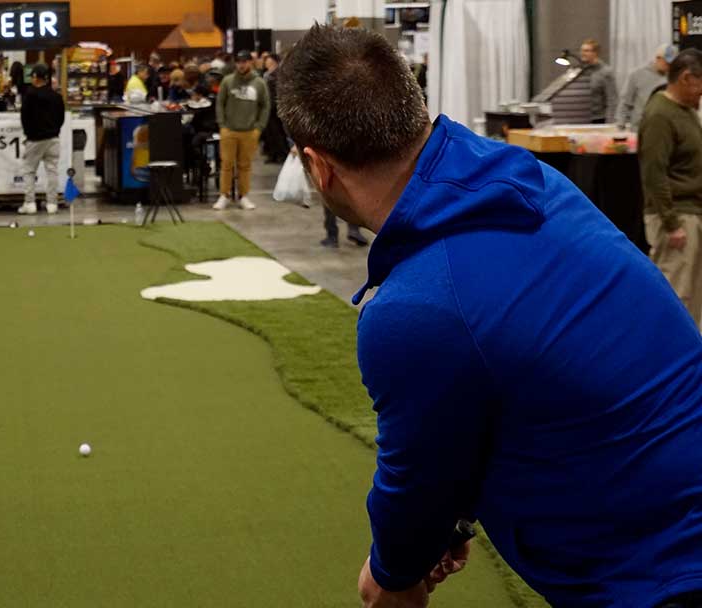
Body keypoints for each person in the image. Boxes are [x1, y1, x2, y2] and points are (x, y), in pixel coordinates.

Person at [278, 25, 702, 608]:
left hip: (662, 576)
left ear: (318, 167)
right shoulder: (524, 178)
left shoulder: (415, 309)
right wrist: (450, 522)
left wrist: (393, 574)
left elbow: (412, 483)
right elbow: (518, 370)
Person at [639, 49, 702, 326]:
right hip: (677, 217)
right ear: (687, 78)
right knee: (676, 296)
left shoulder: (686, 111)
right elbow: (654, 173)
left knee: (693, 298)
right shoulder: (660, 115)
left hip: (690, 213)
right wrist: (671, 221)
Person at [213, 50, 269, 211]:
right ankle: (224, 195)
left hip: (250, 131)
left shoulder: (259, 83)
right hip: (229, 130)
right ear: (235, 63)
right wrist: (222, 125)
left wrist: (259, 127)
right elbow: (220, 103)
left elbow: (265, 105)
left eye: (244, 61)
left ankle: (244, 196)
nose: (241, 64)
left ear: (250, 63)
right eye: (238, 61)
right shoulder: (227, 81)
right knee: (227, 165)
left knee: (245, 166)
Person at [18, 63, 64, 216]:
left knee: (29, 171)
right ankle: (52, 204)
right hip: (53, 138)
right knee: (52, 171)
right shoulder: (56, 96)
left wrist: (29, 133)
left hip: (35, 139)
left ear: (36, 77)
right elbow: (61, 118)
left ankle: (30, 203)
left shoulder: (29, 96)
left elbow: (25, 118)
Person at [617, 43, 676, 128]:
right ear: (658, 58)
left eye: (672, 64)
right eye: (667, 63)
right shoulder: (636, 74)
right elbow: (625, 102)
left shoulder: (674, 77)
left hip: (664, 128)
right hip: (639, 128)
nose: (669, 67)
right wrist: (620, 125)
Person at [579, 38, 618, 124]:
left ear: (595, 53)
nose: (582, 54)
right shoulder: (579, 71)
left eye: (586, 51)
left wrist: (610, 123)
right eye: (582, 51)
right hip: (581, 118)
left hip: (598, 119)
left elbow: (612, 99)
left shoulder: (605, 72)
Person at [261, 53, 289, 163]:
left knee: (277, 132)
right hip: (266, 107)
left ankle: (282, 154)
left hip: (274, 107)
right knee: (269, 133)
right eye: (266, 61)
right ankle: (272, 154)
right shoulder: (266, 74)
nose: (267, 63)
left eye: (270, 61)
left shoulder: (278, 74)